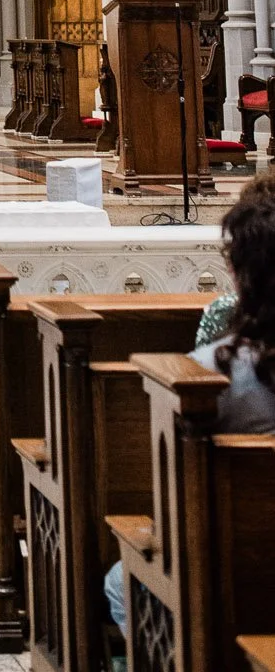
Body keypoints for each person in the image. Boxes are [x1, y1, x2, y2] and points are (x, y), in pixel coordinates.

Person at [104, 172, 275, 635]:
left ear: (239, 273)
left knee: (119, 583)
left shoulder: (209, 373)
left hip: (237, 572)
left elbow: (175, 500)